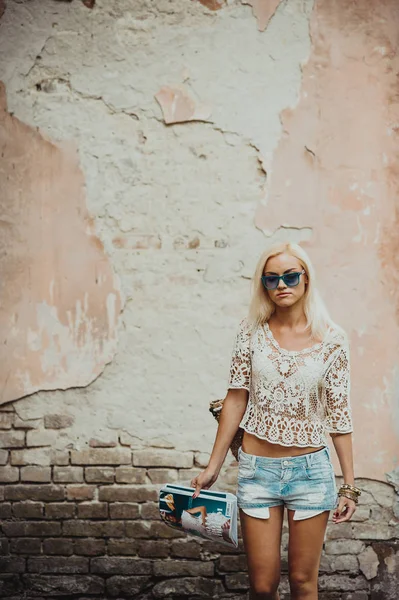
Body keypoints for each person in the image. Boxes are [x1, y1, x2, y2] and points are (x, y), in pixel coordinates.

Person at [191, 242, 360, 600]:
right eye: (271, 279)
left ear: (306, 279)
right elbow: (236, 398)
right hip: (257, 472)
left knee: (302, 583)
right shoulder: (250, 332)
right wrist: (213, 466)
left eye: (290, 276)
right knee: (263, 587)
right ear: (263, 285)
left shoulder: (333, 340)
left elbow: (339, 413)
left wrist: (349, 484)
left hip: (311, 473)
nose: (282, 284)